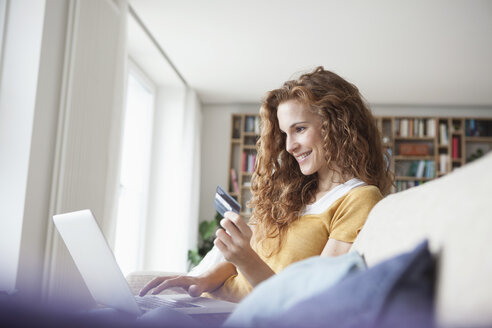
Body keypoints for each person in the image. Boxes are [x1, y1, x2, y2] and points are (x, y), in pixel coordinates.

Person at [140, 66, 393, 303]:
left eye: (300, 129)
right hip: (212, 304)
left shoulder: (358, 199)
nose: (289, 146)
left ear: (337, 126)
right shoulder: (294, 192)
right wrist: (201, 280)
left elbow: (311, 304)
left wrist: (246, 259)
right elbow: (241, 260)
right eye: (285, 134)